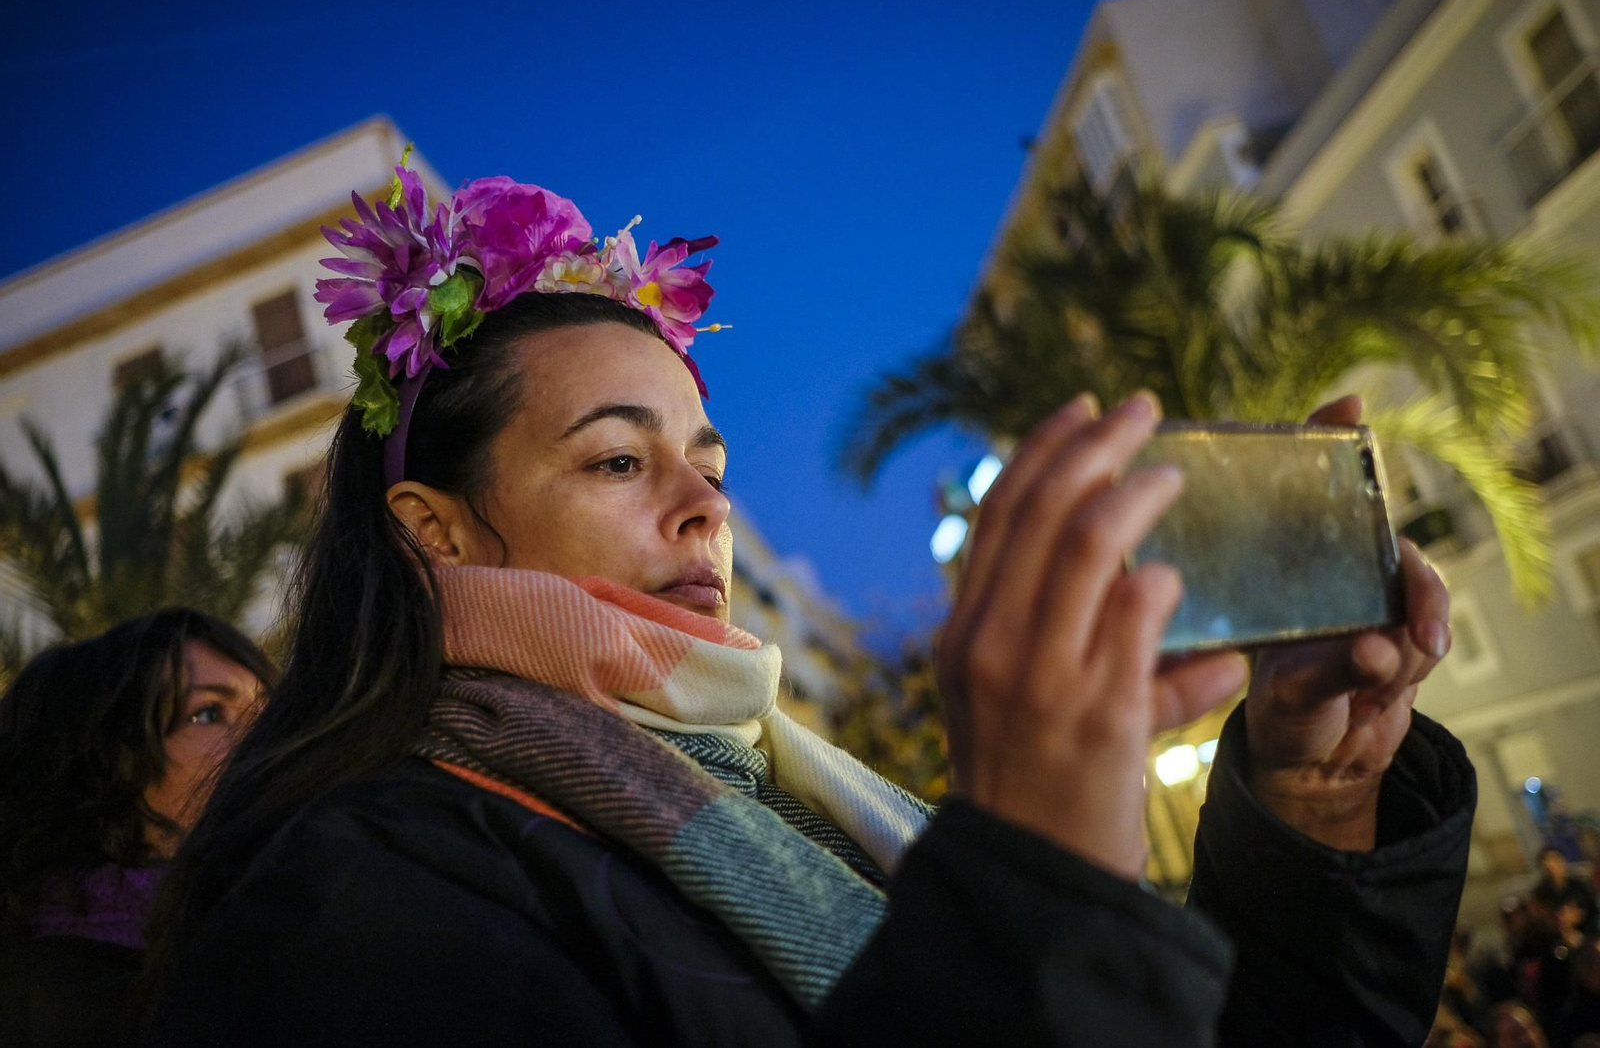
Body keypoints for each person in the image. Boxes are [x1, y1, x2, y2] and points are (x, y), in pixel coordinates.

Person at [144, 166, 1476, 1045]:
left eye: (710, 465)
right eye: (617, 461)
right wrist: (1026, 879)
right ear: (434, 528)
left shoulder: (801, 794)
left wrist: (1313, 796)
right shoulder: (355, 898)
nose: (704, 507)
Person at [0, 607, 273, 1047]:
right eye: (208, 713)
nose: (267, 735)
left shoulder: (273, 928)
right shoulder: (64, 994)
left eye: (268, 710)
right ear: (104, 764)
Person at [1535, 846, 1599, 936]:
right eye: (1549, 861)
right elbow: (1543, 921)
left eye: (1557, 859)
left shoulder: (1578, 885)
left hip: (1586, 931)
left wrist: (1579, 916)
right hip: (1557, 936)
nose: (1555, 865)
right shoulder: (1541, 892)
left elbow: (1592, 910)